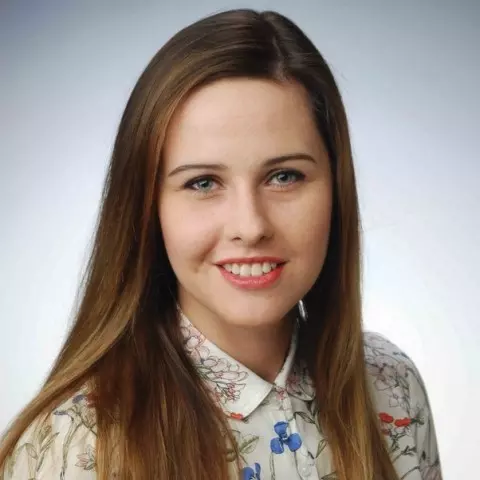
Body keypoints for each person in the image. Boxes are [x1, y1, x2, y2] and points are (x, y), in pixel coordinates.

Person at [0, 8, 442, 480]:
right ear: (147, 208)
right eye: (204, 183)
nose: (250, 226)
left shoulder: (392, 386)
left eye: (284, 176)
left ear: (336, 188)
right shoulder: (73, 446)